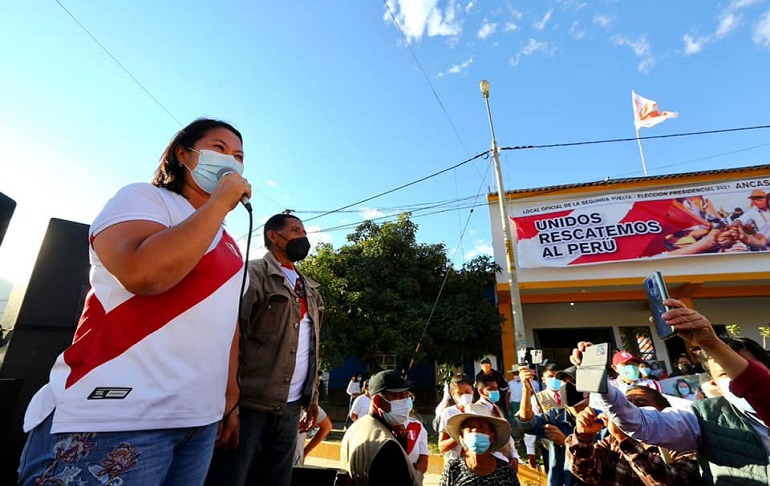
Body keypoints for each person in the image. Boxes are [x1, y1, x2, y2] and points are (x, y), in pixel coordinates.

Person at [17, 119, 251, 485]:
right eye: (219, 148)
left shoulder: (230, 242)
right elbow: (145, 274)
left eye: (239, 156)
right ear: (182, 154)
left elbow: (226, 321)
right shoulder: (145, 199)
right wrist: (220, 202)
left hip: (197, 421)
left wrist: (229, 399)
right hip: (116, 416)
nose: (231, 162)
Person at [570, 299, 770, 485]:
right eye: (725, 373)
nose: (739, 381)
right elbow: (637, 422)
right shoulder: (702, 418)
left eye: (746, 369)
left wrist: (712, 343)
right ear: (715, 382)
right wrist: (600, 383)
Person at [206, 213, 324, 486]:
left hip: (291, 409)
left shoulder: (311, 290)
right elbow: (229, 337)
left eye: (304, 231)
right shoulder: (253, 274)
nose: (303, 237)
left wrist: (312, 398)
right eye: (295, 230)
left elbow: (312, 347)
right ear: (273, 236)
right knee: (231, 477)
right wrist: (229, 404)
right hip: (249, 406)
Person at [566, 386, 701, 485]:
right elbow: (586, 473)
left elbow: (680, 481)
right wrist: (584, 436)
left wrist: (624, 440)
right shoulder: (611, 442)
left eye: (641, 405)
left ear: (663, 413)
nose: (630, 412)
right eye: (626, 405)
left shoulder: (681, 440)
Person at [340, 370, 418, 485]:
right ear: (377, 401)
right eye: (398, 395)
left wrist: (400, 439)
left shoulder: (354, 429)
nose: (405, 401)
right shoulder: (386, 445)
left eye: (406, 395)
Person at [517, 365, 584, 486]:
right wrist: (526, 390)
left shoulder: (602, 420)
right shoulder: (555, 417)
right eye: (564, 382)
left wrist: (566, 442)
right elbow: (527, 423)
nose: (568, 387)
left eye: (572, 383)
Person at [440, 402, 520, 486]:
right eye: (470, 427)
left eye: (482, 427)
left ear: (492, 437)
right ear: (463, 436)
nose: (475, 431)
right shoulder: (454, 468)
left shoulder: (505, 471)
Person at [403, 409, 430, 485]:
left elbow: (423, 460)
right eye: (397, 396)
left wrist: (415, 477)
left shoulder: (417, 426)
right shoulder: (377, 425)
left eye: (408, 397)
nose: (404, 400)